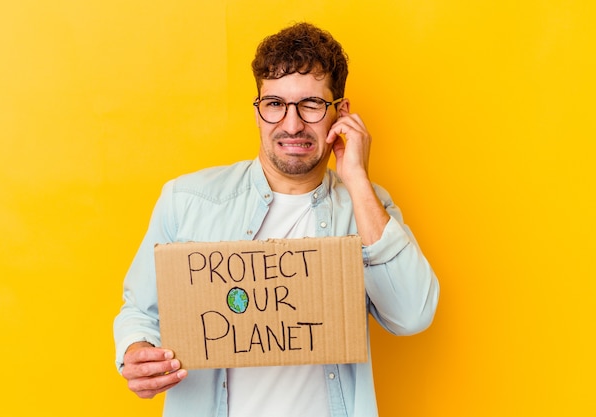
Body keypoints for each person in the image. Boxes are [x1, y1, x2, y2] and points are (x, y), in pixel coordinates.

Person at [114, 22, 440, 417]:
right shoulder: (187, 200)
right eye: (275, 104)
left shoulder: (369, 207)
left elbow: (412, 315)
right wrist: (137, 351)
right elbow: (141, 311)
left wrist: (356, 177)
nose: (291, 124)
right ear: (258, 111)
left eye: (311, 104)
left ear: (341, 112)